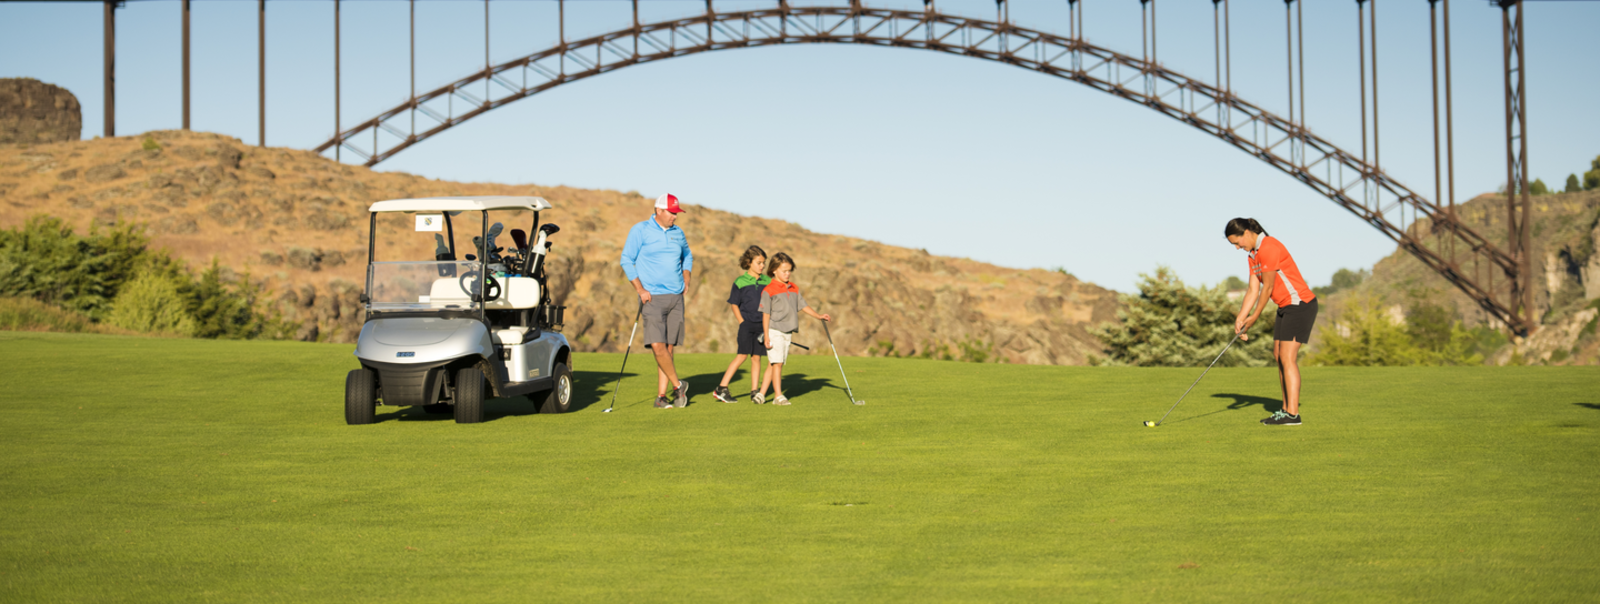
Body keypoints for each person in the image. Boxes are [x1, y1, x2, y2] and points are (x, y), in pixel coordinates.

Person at [1226, 218, 1318, 426]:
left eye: (1237, 242)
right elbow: (1253, 289)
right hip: (1285, 306)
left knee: (1287, 357)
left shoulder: (1269, 247)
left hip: (1300, 304)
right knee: (1278, 356)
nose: (1237, 247)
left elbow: (1267, 288)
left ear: (1247, 233)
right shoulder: (1253, 255)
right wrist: (1241, 318)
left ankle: (1293, 415)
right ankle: (1285, 410)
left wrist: (1254, 317)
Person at [620, 193, 695, 409]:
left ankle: (662, 397)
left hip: (675, 297)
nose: (675, 217)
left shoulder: (677, 232)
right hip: (651, 297)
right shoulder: (640, 230)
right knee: (657, 345)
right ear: (659, 211)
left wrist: (687, 275)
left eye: (677, 213)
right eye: (672, 213)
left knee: (669, 349)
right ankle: (678, 385)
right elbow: (627, 260)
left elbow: (687, 255)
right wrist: (640, 289)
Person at [754, 252, 830, 406]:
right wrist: (767, 335)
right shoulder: (769, 290)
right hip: (774, 330)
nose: (787, 274)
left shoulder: (793, 287)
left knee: (773, 363)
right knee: (778, 363)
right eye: (784, 271)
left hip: (787, 332)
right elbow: (766, 315)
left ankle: (761, 394)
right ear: (774, 270)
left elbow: (802, 305)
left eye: (789, 271)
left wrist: (818, 316)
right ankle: (778, 396)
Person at [713, 246, 770, 404]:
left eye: (763, 263)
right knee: (742, 356)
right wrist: (742, 322)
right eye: (759, 262)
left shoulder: (767, 281)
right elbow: (734, 304)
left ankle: (754, 391)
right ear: (749, 262)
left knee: (757, 358)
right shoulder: (740, 282)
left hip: (762, 325)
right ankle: (721, 388)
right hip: (746, 325)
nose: (762, 266)